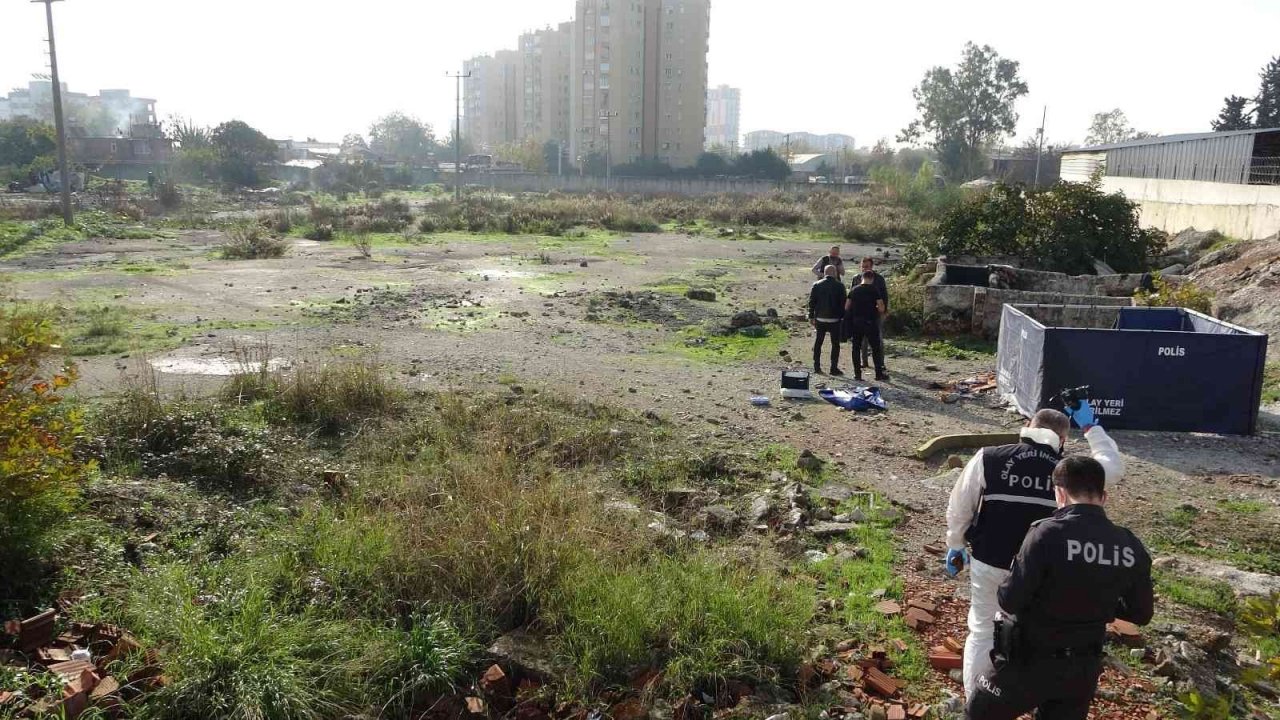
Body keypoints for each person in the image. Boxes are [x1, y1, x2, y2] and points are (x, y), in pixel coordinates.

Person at [966, 437, 1154, 720]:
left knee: (979, 713)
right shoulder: (1129, 544)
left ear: (1060, 494)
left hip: (1027, 661)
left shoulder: (1046, 533)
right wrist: (1100, 599)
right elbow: (1141, 613)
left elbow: (1010, 599)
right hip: (1081, 670)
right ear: (1103, 497)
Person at [944, 404, 1123, 699]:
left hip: (991, 561)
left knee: (982, 632)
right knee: (1035, 636)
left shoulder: (988, 458)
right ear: (1063, 440)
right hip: (1044, 573)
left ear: (1028, 424)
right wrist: (1093, 429)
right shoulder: (1072, 471)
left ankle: (977, 703)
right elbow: (1111, 467)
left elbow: (960, 506)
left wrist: (955, 544)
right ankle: (1024, 700)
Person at [842, 271, 888, 381]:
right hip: (871, 322)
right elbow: (881, 307)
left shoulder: (854, 290)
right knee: (875, 348)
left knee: (856, 348)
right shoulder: (874, 290)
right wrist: (876, 310)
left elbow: (847, 306)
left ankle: (857, 374)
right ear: (872, 279)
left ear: (862, 278)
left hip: (857, 322)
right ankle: (878, 374)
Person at [808, 265, 846, 375]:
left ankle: (817, 366)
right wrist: (842, 317)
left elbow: (812, 302)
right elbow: (843, 303)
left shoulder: (816, 285)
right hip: (834, 319)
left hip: (820, 318)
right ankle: (833, 368)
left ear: (824, 273)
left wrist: (811, 316)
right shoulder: (840, 286)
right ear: (834, 273)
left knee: (818, 343)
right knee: (835, 344)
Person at [858, 257, 889, 370]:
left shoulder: (879, 279)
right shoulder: (856, 278)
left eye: (867, 266)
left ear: (872, 266)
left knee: (878, 339)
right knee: (862, 340)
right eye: (863, 266)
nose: (865, 269)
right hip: (861, 314)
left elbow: (884, 295)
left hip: (876, 313)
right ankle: (864, 362)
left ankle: (880, 362)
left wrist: (884, 311)